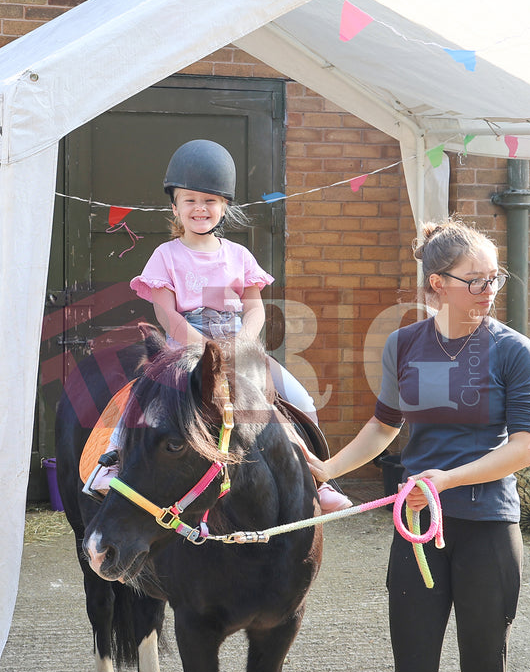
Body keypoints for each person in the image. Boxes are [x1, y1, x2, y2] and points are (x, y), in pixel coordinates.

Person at [307, 217, 530, 672]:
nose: (489, 290)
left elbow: (524, 446)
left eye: (493, 277)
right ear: (438, 284)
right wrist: (326, 470)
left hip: (487, 525)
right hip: (416, 528)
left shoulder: (512, 351)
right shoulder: (405, 344)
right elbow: (385, 425)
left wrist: (448, 478)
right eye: (474, 280)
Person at [94, 139, 350, 513]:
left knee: (299, 399)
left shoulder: (239, 256)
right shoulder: (165, 256)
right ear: (175, 206)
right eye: (190, 200)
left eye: (210, 201)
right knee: (141, 399)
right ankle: (113, 460)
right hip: (184, 350)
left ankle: (317, 477)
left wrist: (243, 344)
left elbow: (255, 310)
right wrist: (206, 352)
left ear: (224, 206)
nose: (200, 209)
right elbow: (167, 315)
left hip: (238, 346)